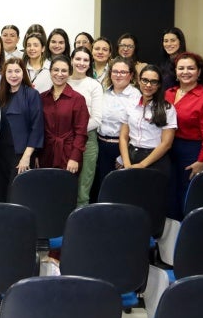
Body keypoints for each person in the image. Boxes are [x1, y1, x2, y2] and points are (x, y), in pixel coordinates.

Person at [164, 52, 203, 220]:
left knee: (187, 197)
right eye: (181, 68)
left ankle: (188, 238)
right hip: (167, 149)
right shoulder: (168, 93)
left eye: (190, 68)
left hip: (191, 152)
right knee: (168, 195)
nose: (185, 72)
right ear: (175, 71)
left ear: (199, 72)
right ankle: (168, 240)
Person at [0, 57, 43, 202]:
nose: (13, 75)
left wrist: (27, 156)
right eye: (9, 71)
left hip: (21, 154)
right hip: (0, 154)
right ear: (4, 74)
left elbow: (37, 127)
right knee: (0, 193)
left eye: (17, 71)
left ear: (23, 73)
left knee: (15, 194)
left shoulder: (32, 94)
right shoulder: (1, 95)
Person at [118, 65, 176, 176]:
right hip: (131, 156)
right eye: (145, 80)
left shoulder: (167, 108)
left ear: (159, 85)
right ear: (139, 81)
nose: (148, 85)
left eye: (154, 82)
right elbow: (123, 137)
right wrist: (126, 162)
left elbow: (166, 144)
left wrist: (142, 165)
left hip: (155, 159)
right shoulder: (130, 104)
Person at [95, 58, 141, 196]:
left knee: (120, 188)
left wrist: (123, 156)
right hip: (101, 145)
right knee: (102, 186)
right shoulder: (104, 93)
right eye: (115, 71)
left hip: (122, 148)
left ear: (131, 75)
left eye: (123, 72)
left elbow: (136, 128)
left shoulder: (136, 96)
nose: (118, 75)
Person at [39, 55, 90, 173]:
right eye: (56, 70)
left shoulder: (78, 99)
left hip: (68, 155)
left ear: (69, 73)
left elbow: (81, 133)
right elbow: (38, 129)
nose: (59, 74)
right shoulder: (42, 98)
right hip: (45, 154)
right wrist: (36, 154)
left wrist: (75, 157)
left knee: (65, 190)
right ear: (50, 71)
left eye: (64, 71)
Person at [67, 47, 103, 206]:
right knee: (63, 187)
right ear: (71, 60)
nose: (81, 63)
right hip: (63, 141)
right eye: (78, 59)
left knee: (83, 191)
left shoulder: (94, 85)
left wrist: (74, 132)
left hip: (87, 141)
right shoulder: (62, 80)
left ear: (90, 63)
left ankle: (80, 228)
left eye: (86, 60)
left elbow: (96, 119)